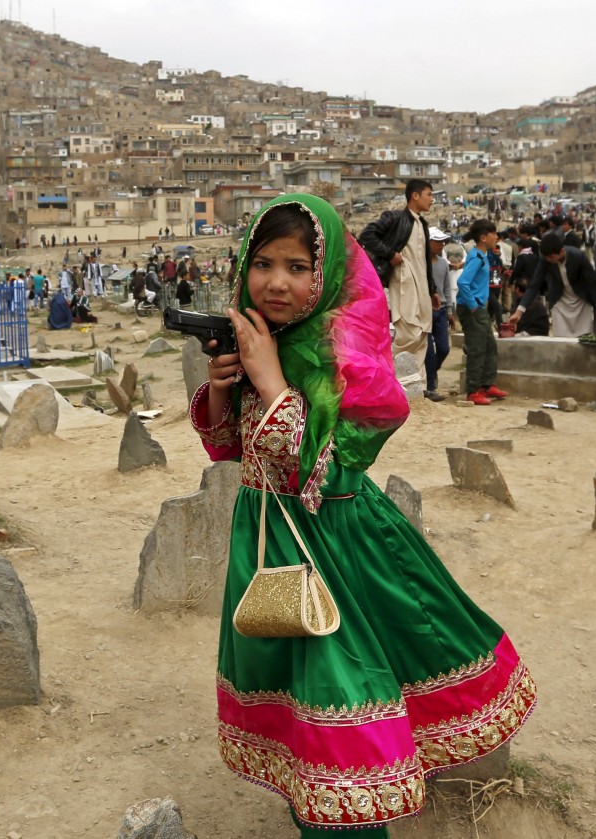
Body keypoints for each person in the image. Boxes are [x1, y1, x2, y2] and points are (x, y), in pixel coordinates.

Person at [189, 195, 535, 837]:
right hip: (265, 540)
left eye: (296, 265)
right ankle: (312, 807)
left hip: (337, 543)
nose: (276, 282)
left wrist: (271, 385)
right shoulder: (261, 340)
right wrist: (221, 385)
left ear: (328, 274)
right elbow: (228, 448)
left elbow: (319, 473)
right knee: (294, 702)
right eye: (262, 264)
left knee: (340, 692)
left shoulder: (348, 355)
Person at [358, 179, 439, 385]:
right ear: (415, 196)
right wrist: (390, 253)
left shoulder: (423, 224)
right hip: (402, 281)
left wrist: (433, 290)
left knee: (422, 335)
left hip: (421, 285)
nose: (432, 199)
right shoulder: (395, 218)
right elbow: (367, 235)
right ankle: (386, 377)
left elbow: (426, 263)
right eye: (429, 194)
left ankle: (416, 386)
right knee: (408, 333)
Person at [509, 230, 596, 338]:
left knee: (583, 337)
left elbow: (592, 284)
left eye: (551, 257)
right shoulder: (545, 259)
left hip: (581, 301)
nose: (549, 260)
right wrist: (519, 312)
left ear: (561, 251)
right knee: (560, 338)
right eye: (546, 258)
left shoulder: (579, 256)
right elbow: (534, 286)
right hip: (560, 300)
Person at [456, 219, 507, 406]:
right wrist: (473, 306)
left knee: (489, 345)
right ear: (483, 237)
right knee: (477, 348)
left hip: (479, 307)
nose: (496, 237)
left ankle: (487, 384)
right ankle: (473, 390)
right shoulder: (476, 258)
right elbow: (462, 283)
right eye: (493, 234)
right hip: (472, 309)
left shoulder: (483, 256)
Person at [423, 227, 453, 401]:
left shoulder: (443, 263)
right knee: (428, 352)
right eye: (438, 241)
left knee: (444, 348)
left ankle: (432, 372)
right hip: (425, 310)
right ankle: (431, 386)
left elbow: (447, 287)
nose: (442, 244)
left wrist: (449, 310)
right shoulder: (422, 264)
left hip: (440, 310)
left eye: (443, 241)